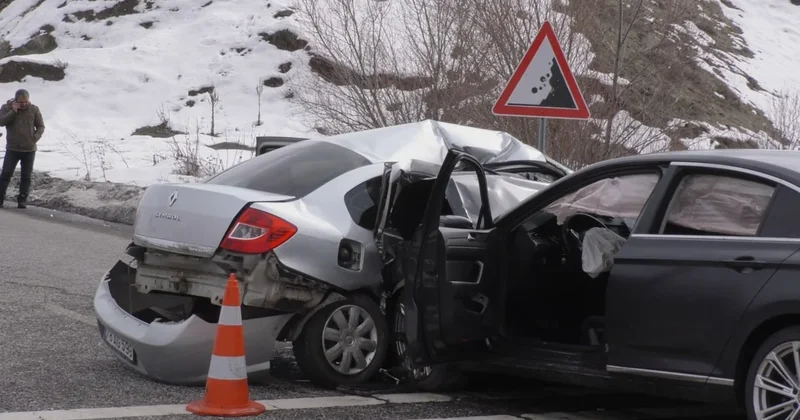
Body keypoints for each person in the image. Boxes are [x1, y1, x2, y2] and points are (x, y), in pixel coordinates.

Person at [0, 89, 45, 208]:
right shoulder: (6, 108)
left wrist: (34, 138)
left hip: (29, 149)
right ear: (16, 100)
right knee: (5, 174)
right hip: (13, 148)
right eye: (21, 102)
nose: (24, 104)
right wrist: (13, 112)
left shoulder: (34, 109)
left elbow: (41, 126)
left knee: (26, 176)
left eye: (26, 102)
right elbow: (1, 122)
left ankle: (22, 200)